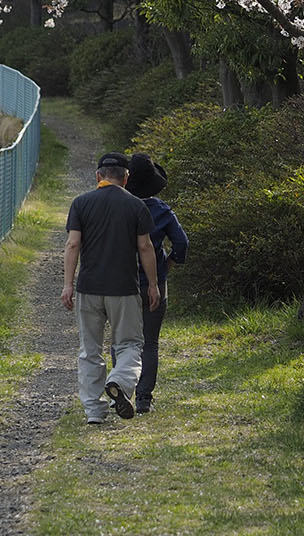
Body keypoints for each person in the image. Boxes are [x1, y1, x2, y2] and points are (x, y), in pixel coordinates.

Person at [63, 151, 160, 423]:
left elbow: (72, 245)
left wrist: (67, 285)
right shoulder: (136, 206)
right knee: (130, 344)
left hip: (89, 287)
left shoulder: (81, 203)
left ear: (98, 176)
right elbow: (145, 247)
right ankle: (118, 380)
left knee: (89, 349)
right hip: (124, 289)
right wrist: (153, 285)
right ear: (126, 178)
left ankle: (94, 411)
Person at [124, 152, 188, 415]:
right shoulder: (161, 210)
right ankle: (144, 399)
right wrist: (168, 264)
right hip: (155, 283)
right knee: (150, 342)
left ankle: (123, 390)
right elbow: (182, 243)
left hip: (123, 282)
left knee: (124, 340)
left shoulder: (120, 208)